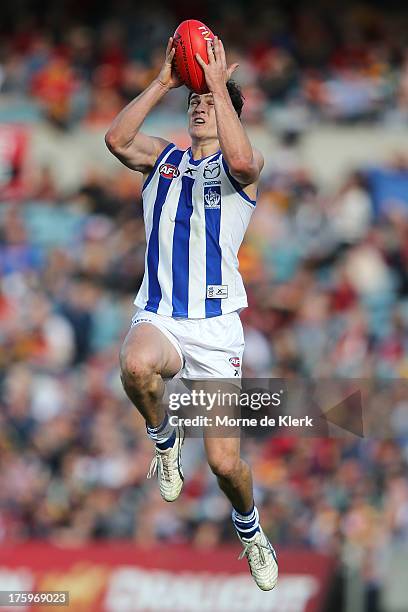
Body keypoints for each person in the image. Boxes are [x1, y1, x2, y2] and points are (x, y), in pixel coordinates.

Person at [105, 35, 278, 591]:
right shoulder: (164, 159)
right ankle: (164, 439)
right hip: (160, 314)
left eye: (211, 100)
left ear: (226, 110)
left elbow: (245, 158)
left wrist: (220, 86)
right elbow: (115, 138)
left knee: (226, 466)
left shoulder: (239, 171)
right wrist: (165, 81)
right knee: (135, 366)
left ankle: (250, 531)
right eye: (195, 101)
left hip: (216, 331)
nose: (200, 105)